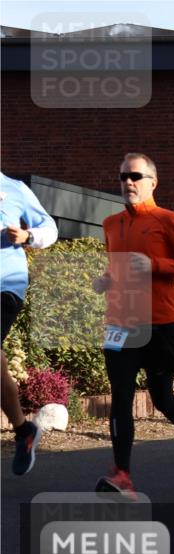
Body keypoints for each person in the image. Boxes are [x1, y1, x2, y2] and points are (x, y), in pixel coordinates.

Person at [92, 153, 174, 499]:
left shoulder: (167, 219)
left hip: (159, 323)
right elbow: (120, 268)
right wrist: (107, 280)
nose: (128, 182)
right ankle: (122, 474)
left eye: (136, 176)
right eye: (123, 176)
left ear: (152, 182)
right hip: (121, 323)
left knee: (161, 397)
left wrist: (153, 265)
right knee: (121, 399)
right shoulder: (111, 224)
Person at [1, 171, 58, 475]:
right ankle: (23, 431)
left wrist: (28, 236)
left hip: (6, 285)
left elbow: (50, 227)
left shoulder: (14, 189)